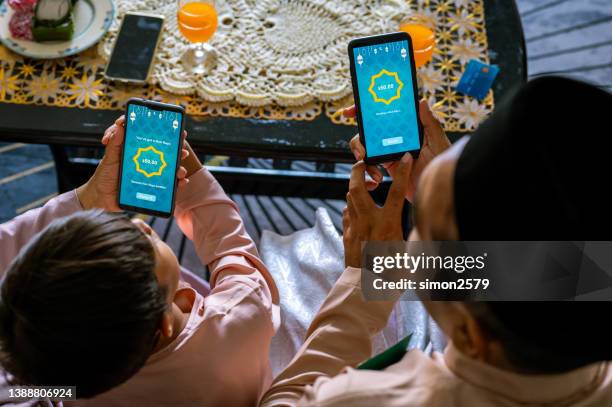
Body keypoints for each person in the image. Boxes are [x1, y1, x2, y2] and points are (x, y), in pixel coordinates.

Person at [260, 76, 612, 406]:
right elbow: (541, 269)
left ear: (468, 333)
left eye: (422, 226)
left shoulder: (363, 398)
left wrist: (362, 280)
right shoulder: (592, 278)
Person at [0, 116, 280, 406]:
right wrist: (195, 179)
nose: (139, 223)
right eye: (146, 243)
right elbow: (234, 251)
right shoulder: (240, 316)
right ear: (166, 318)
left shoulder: (70, 386)